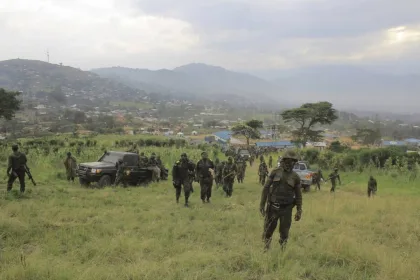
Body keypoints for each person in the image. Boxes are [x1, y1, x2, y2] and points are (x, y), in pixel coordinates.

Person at [260, 150, 302, 251]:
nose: (290, 163)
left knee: (284, 232)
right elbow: (266, 188)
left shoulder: (295, 177)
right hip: (272, 208)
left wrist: (299, 210)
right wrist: (262, 205)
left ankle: (282, 251)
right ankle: (266, 248)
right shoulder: (275, 172)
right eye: (288, 161)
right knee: (268, 230)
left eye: (293, 161)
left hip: (287, 210)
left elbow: (298, 195)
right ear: (283, 161)